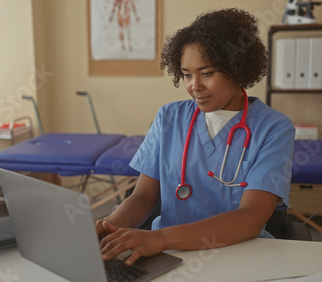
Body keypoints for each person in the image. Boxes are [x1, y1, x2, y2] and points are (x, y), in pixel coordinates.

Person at [96, 8, 295, 266]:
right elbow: (143, 197)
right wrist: (110, 225)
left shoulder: (274, 128)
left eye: (207, 73)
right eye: (187, 74)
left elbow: (251, 217)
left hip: (239, 256)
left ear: (237, 70)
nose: (194, 86)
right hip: (166, 256)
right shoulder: (169, 117)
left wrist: (161, 238)